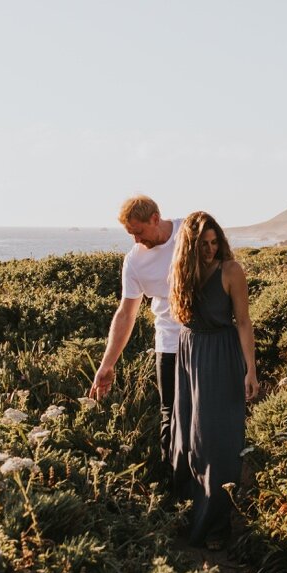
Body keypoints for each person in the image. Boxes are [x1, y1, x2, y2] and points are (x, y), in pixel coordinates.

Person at [166, 211, 258, 548]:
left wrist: (251, 369)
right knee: (185, 438)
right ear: (189, 246)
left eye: (214, 242)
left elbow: (244, 322)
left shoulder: (231, 270)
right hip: (189, 352)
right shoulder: (182, 272)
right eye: (203, 244)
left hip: (221, 355)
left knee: (217, 442)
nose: (210, 249)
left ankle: (217, 526)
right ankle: (188, 516)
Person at [89, 196, 184, 489]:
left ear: (156, 218)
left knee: (203, 414)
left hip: (204, 341)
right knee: (170, 415)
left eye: (139, 231)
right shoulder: (134, 260)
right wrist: (107, 365)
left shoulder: (188, 233)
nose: (135, 238)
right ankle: (177, 487)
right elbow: (126, 313)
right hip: (168, 343)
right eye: (130, 233)